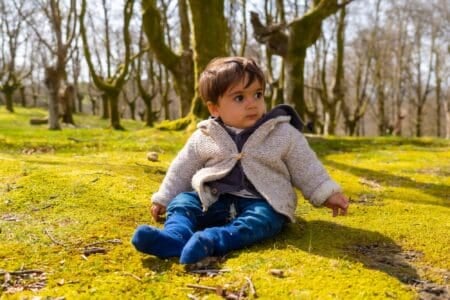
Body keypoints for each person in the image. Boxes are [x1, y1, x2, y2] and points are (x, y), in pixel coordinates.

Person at [132, 56, 349, 265]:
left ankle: (213, 240)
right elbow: (182, 168)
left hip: (263, 201)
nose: (252, 104)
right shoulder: (205, 135)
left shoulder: (282, 133)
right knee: (183, 203)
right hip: (213, 200)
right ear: (215, 108)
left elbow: (306, 165)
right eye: (239, 98)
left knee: (266, 219)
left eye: (257, 94)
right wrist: (164, 198)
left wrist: (326, 193)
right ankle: (174, 237)